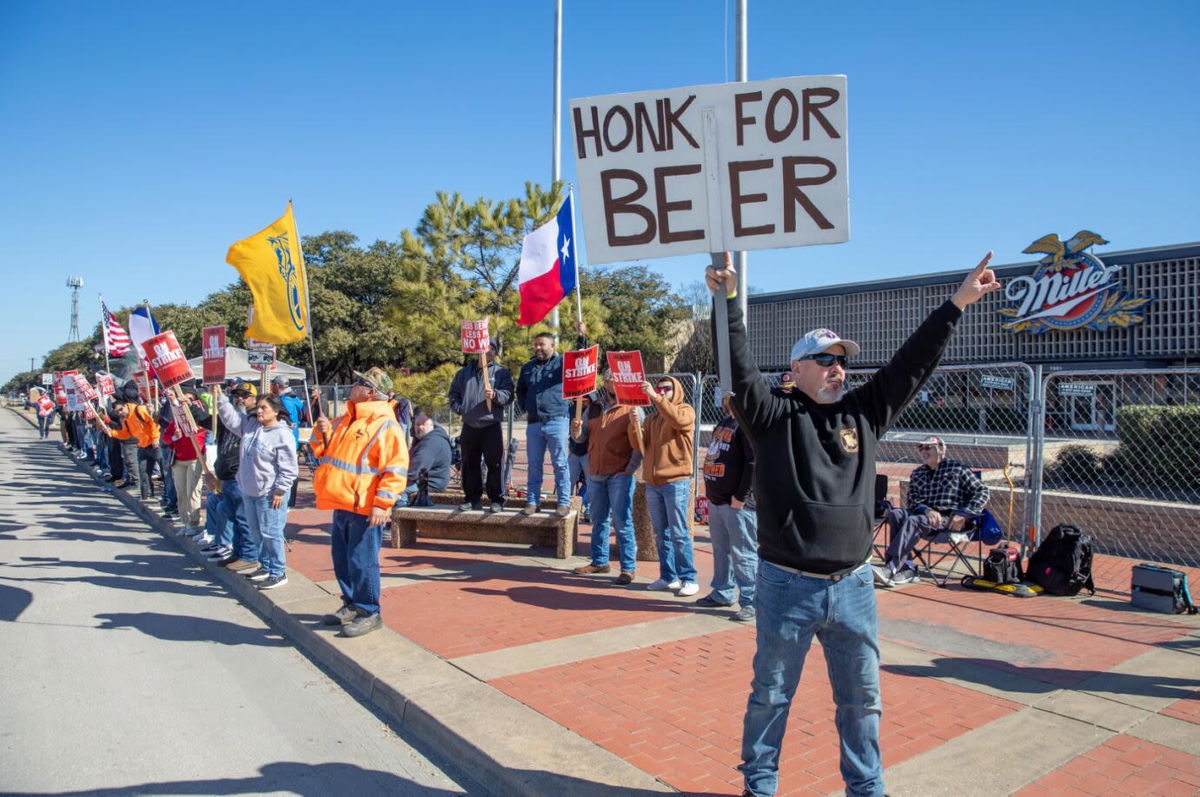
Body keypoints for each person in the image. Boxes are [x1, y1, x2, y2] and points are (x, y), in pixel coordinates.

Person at [707, 251, 1000, 797]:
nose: (837, 367)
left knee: (862, 700)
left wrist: (957, 303)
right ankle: (759, 786)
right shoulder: (773, 417)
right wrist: (726, 300)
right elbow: (742, 370)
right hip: (785, 586)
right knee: (770, 694)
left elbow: (913, 362)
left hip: (855, 587)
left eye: (841, 360)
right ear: (795, 371)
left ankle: (867, 789)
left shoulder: (865, 413)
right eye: (824, 359)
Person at [311, 367, 409, 638]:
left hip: (365, 506)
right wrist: (321, 433)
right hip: (342, 502)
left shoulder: (384, 424)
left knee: (361, 560)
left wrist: (382, 503)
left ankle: (368, 611)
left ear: (369, 392)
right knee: (342, 558)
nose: (351, 386)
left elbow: (396, 468)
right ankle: (351, 603)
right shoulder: (346, 418)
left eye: (357, 383)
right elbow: (323, 451)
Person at [872, 435, 990, 586]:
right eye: (921, 448)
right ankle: (907, 567)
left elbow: (982, 491)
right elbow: (912, 500)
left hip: (949, 520)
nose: (923, 451)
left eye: (928, 447)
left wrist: (963, 514)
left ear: (941, 449)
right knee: (896, 514)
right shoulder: (918, 473)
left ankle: (891, 568)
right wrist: (927, 510)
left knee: (914, 521)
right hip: (925, 517)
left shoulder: (957, 469)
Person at [217, 389, 298, 590]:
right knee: (256, 532)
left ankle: (278, 572)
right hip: (249, 490)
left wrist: (280, 490)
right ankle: (265, 566)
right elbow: (230, 420)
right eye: (258, 407)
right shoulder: (251, 426)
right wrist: (220, 398)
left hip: (270, 493)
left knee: (271, 532)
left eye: (264, 408)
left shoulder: (282, 434)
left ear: (276, 411)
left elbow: (288, 467)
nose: (259, 411)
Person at [570, 373, 642, 585]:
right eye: (610, 379)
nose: (613, 383)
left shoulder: (633, 407)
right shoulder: (594, 406)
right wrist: (576, 430)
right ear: (605, 382)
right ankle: (600, 561)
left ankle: (628, 568)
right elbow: (581, 438)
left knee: (622, 520)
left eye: (617, 379)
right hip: (595, 472)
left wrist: (630, 469)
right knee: (598, 519)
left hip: (620, 474)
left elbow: (641, 441)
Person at [697, 389, 758, 622]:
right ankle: (722, 591)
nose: (728, 400)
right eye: (726, 397)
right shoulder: (725, 422)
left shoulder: (746, 425)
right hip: (717, 500)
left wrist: (741, 495)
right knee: (722, 551)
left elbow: (752, 462)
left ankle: (750, 601)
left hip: (737, 503)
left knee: (743, 554)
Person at [639, 375, 698, 596]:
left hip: (675, 480)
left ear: (677, 391)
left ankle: (689, 578)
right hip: (654, 482)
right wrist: (635, 424)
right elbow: (640, 444)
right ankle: (668, 576)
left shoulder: (685, 410)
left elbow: (678, 421)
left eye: (667, 389)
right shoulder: (653, 418)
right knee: (660, 534)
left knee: (679, 533)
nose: (662, 391)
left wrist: (655, 398)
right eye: (659, 388)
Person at [449, 340, 514, 512]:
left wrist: (495, 395)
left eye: (493, 349)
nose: (489, 352)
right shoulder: (463, 374)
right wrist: (461, 409)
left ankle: (496, 500)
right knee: (470, 463)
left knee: (495, 463)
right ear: (478, 351)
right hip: (470, 425)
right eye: (486, 348)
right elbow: (453, 394)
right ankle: (472, 498)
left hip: (491, 424)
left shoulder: (501, 373)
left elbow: (509, 395)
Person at [204, 381, 259, 572]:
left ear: (254, 399)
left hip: (240, 476)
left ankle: (250, 556)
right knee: (233, 516)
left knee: (244, 518)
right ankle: (238, 552)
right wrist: (219, 397)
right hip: (227, 476)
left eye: (245, 396)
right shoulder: (234, 421)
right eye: (237, 395)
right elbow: (221, 418)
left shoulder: (252, 422)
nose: (240, 399)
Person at [516, 332, 572, 517]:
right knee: (534, 464)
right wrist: (526, 406)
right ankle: (533, 501)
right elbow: (521, 390)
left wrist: (582, 336)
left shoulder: (562, 364)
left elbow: (581, 359)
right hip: (534, 424)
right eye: (536, 344)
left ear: (553, 346)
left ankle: (563, 502)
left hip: (557, 420)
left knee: (560, 463)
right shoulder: (527, 368)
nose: (538, 348)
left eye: (542, 344)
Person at [164, 389, 210, 537]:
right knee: (181, 493)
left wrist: (177, 403)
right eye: (182, 399)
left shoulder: (200, 421)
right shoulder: (175, 422)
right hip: (179, 460)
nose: (185, 402)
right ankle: (185, 522)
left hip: (194, 459)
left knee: (193, 492)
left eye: (188, 399)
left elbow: (198, 437)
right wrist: (175, 438)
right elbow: (166, 437)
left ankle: (193, 523)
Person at [270, 376, 307, 507]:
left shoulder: (285, 401)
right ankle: (290, 501)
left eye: (273, 384)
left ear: (277, 386)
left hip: (286, 441)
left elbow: (288, 421)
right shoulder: (295, 399)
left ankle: (288, 501)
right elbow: (302, 416)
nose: (271, 387)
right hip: (293, 439)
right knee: (291, 469)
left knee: (286, 471)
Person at [404, 410, 452, 507]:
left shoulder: (430, 442)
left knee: (395, 490)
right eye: (417, 425)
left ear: (432, 426)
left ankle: (397, 516)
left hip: (431, 483)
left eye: (424, 424)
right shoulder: (425, 439)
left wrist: (396, 478)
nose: (420, 427)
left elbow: (414, 472)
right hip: (425, 481)